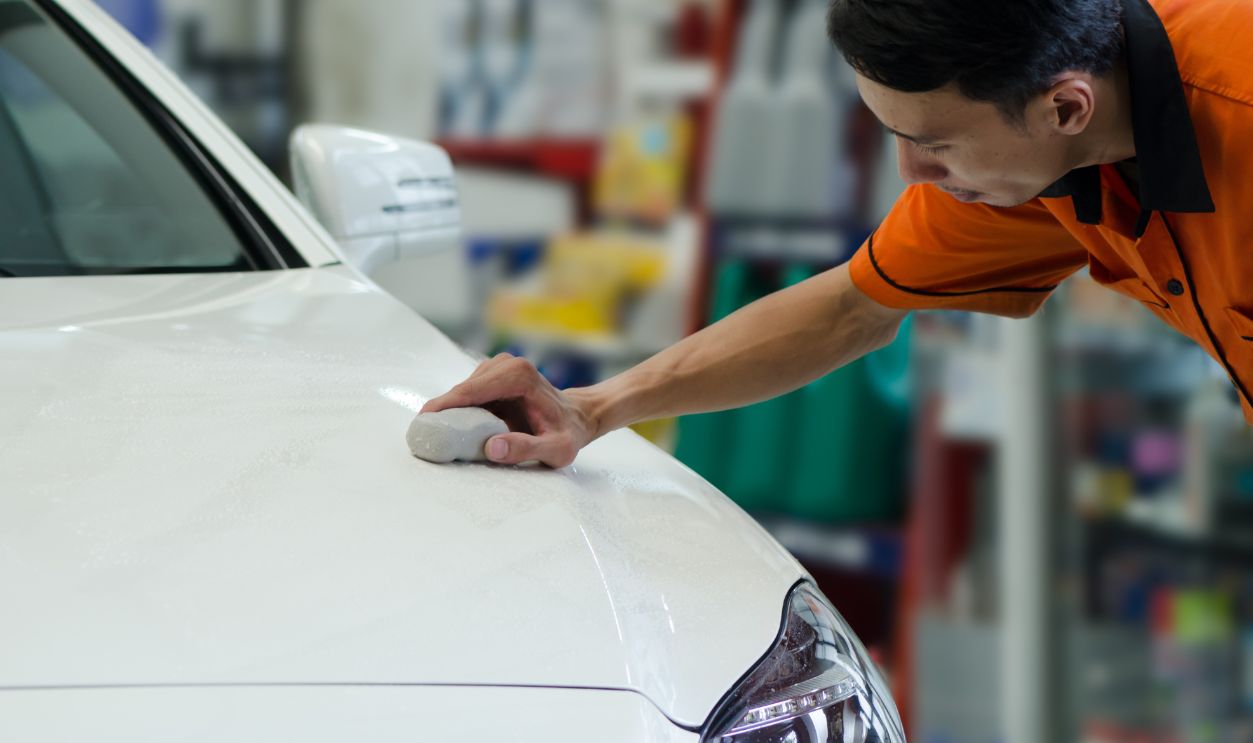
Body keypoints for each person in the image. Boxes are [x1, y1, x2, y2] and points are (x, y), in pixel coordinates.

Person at [424, 0, 1253, 467]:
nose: (909, 172)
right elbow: (848, 308)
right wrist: (589, 408)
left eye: (933, 142)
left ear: (1064, 107)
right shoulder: (1041, 163)